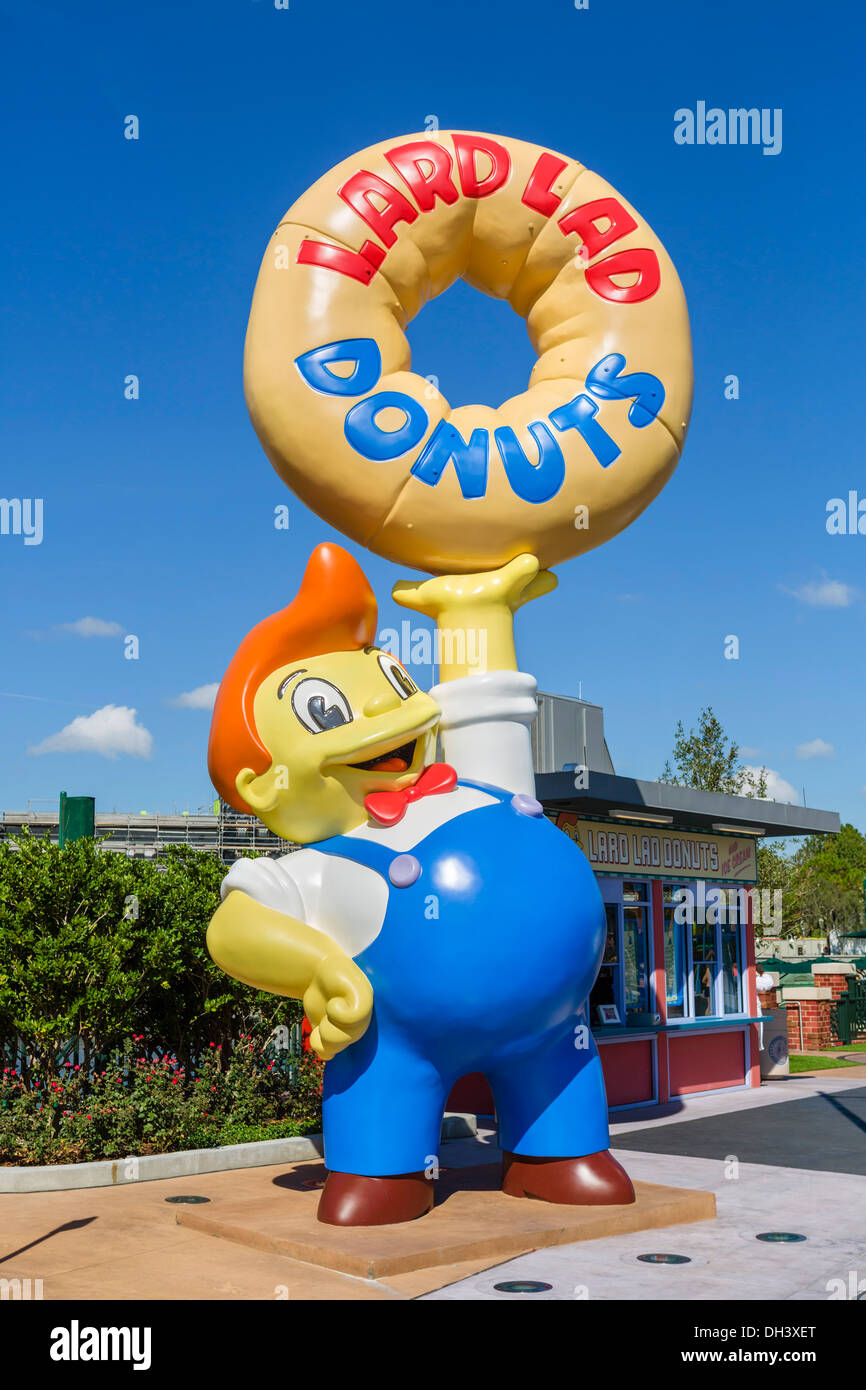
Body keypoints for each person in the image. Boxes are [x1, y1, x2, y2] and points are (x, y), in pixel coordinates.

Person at [205, 542, 635, 1225]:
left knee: (559, 1080)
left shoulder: (474, 778)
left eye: (396, 683)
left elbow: (487, 706)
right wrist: (319, 969)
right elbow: (234, 926)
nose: (393, 714)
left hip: (553, 1026)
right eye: (328, 710)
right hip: (398, 1038)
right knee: (386, 1093)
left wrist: (477, 611)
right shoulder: (323, 862)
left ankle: (557, 1155)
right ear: (265, 784)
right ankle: (384, 1172)